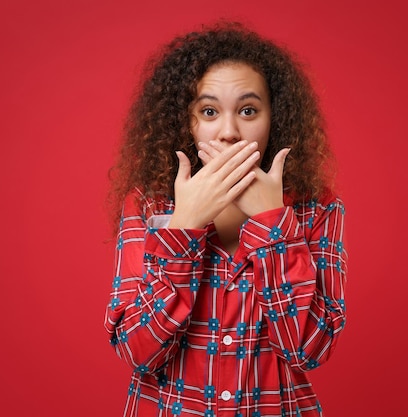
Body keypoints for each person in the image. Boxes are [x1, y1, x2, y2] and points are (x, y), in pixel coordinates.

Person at [105, 22, 347, 417]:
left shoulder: (316, 209)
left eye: (248, 110)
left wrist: (274, 224)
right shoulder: (149, 206)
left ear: (276, 118)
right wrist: (184, 226)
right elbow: (138, 351)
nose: (230, 132)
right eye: (210, 111)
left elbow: (308, 349)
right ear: (187, 120)